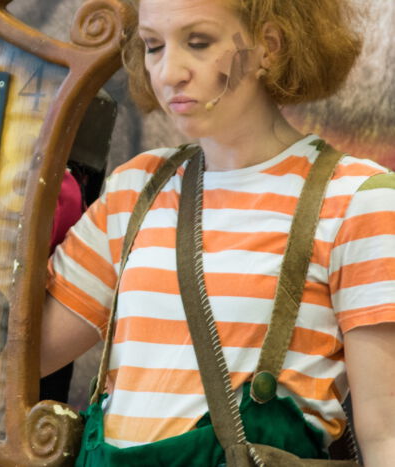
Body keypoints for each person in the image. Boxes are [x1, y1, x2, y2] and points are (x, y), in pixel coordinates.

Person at [40, 0, 395, 465]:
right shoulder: (138, 187)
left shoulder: (357, 201)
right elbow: (25, 354)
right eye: (153, 46)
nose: (169, 73)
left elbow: (385, 436)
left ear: (269, 46)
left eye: (199, 42)